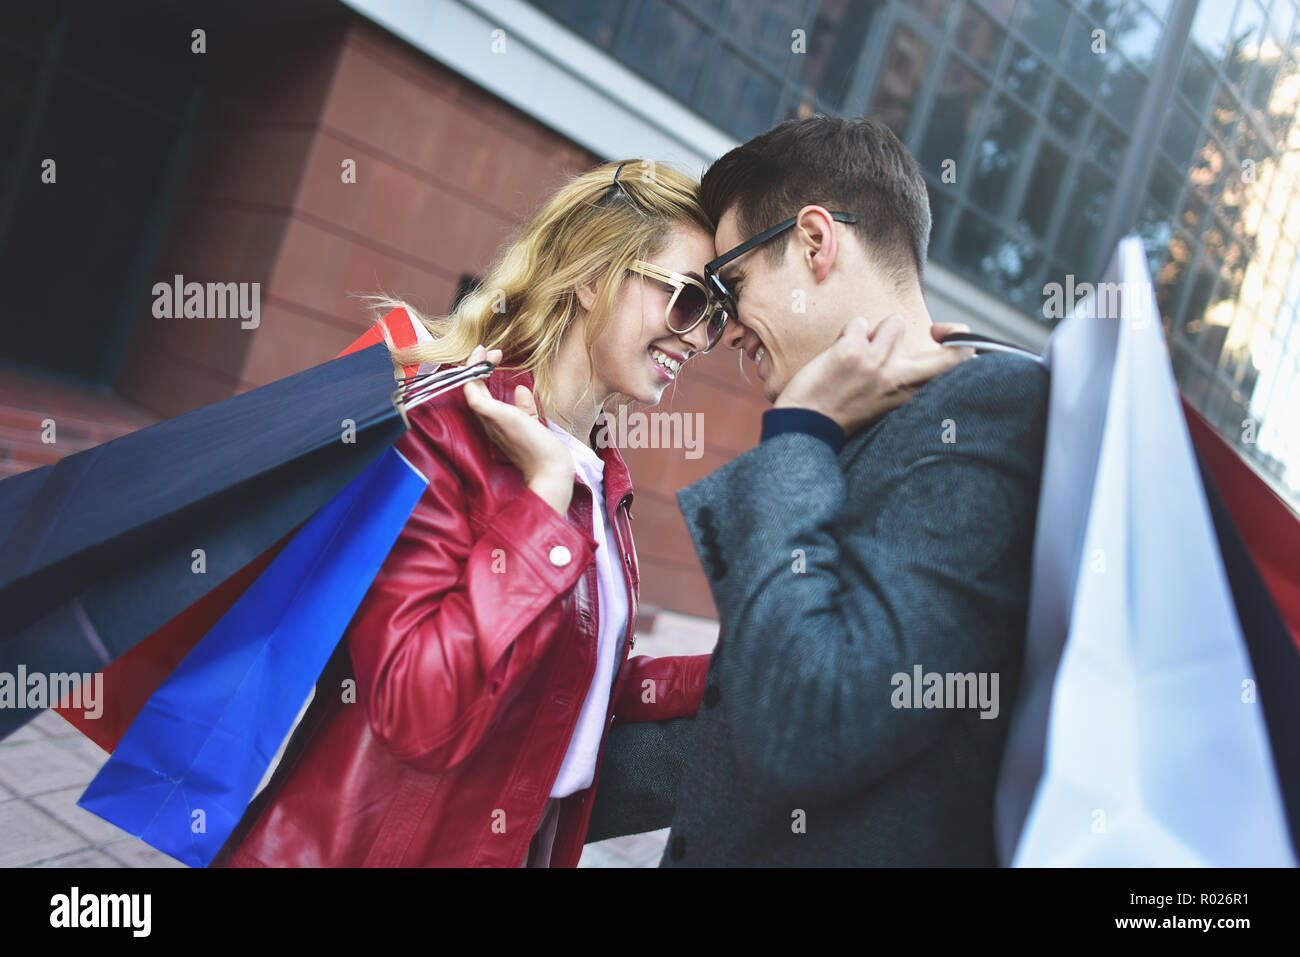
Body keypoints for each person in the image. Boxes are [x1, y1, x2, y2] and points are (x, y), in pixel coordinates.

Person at [213, 159, 725, 867]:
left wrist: (731, 670)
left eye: (716, 317)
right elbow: (411, 708)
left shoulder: (601, 476)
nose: (699, 339)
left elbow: (570, 692)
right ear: (594, 276)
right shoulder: (447, 429)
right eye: (688, 300)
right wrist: (539, 505)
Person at [586, 116, 1051, 866]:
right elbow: (740, 728)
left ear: (814, 242)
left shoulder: (985, 409)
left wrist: (800, 431)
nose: (723, 331)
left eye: (730, 286)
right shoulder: (870, 428)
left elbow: (811, 723)